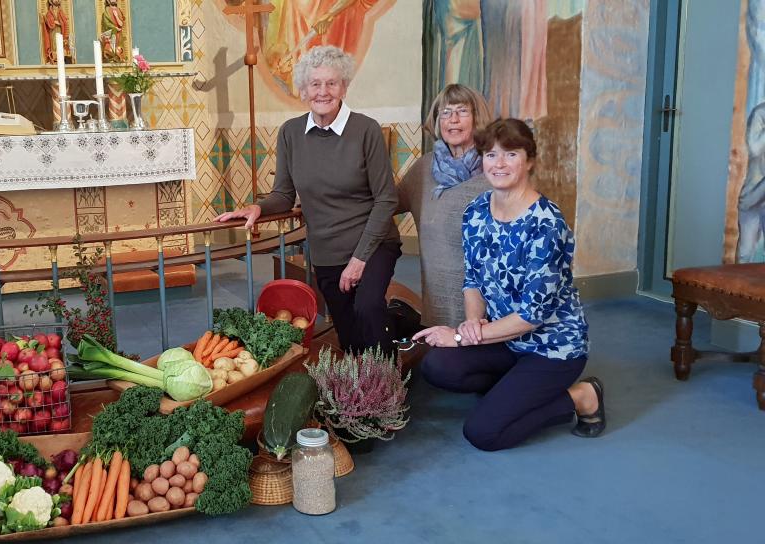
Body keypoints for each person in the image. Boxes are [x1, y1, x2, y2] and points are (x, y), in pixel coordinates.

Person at [412, 118, 605, 451]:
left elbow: (532, 316)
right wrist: (472, 323)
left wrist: (459, 337)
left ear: (529, 161)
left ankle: (582, 397)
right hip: (505, 339)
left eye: (510, 154)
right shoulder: (475, 212)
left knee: (483, 433)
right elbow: (473, 277)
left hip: (551, 348)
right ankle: (512, 392)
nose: (498, 164)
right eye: (490, 154)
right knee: (437, 366)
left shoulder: (546, 224)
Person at [215, 45, 401, 355]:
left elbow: (386, 200)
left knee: (368, 310)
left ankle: (389, 392)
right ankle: (372, 373)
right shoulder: (290, 133)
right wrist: (257, 207)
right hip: (327, 252)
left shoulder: (366, 130)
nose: (323, 91)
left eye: (332, 83)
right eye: (315, 84)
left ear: (344, 87)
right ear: (302, 90)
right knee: (351, 340)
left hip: (373, 245)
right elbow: (284, 194)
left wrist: (359, 260)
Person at [396, 84, 493, 328]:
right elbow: (387, 203)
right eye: (446, 113)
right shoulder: (424, 169)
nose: (453, 119)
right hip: (437, 303)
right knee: (436, 361)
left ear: (477, 118)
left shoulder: (494, 168)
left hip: (488, 303)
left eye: (462, 111)